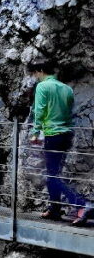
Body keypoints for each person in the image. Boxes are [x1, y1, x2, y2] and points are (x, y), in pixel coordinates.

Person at [28, 60, 91, 225]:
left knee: (52, 175)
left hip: (53, 135)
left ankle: (82, 204)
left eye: (35, 73)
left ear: (41, 70)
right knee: (53, 174)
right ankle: (55, 209)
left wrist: (35, 133)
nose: (35, 77)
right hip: (67, 134)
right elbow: (68, 111)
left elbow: (39, 110)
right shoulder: (67, 88)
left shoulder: (43, 87)